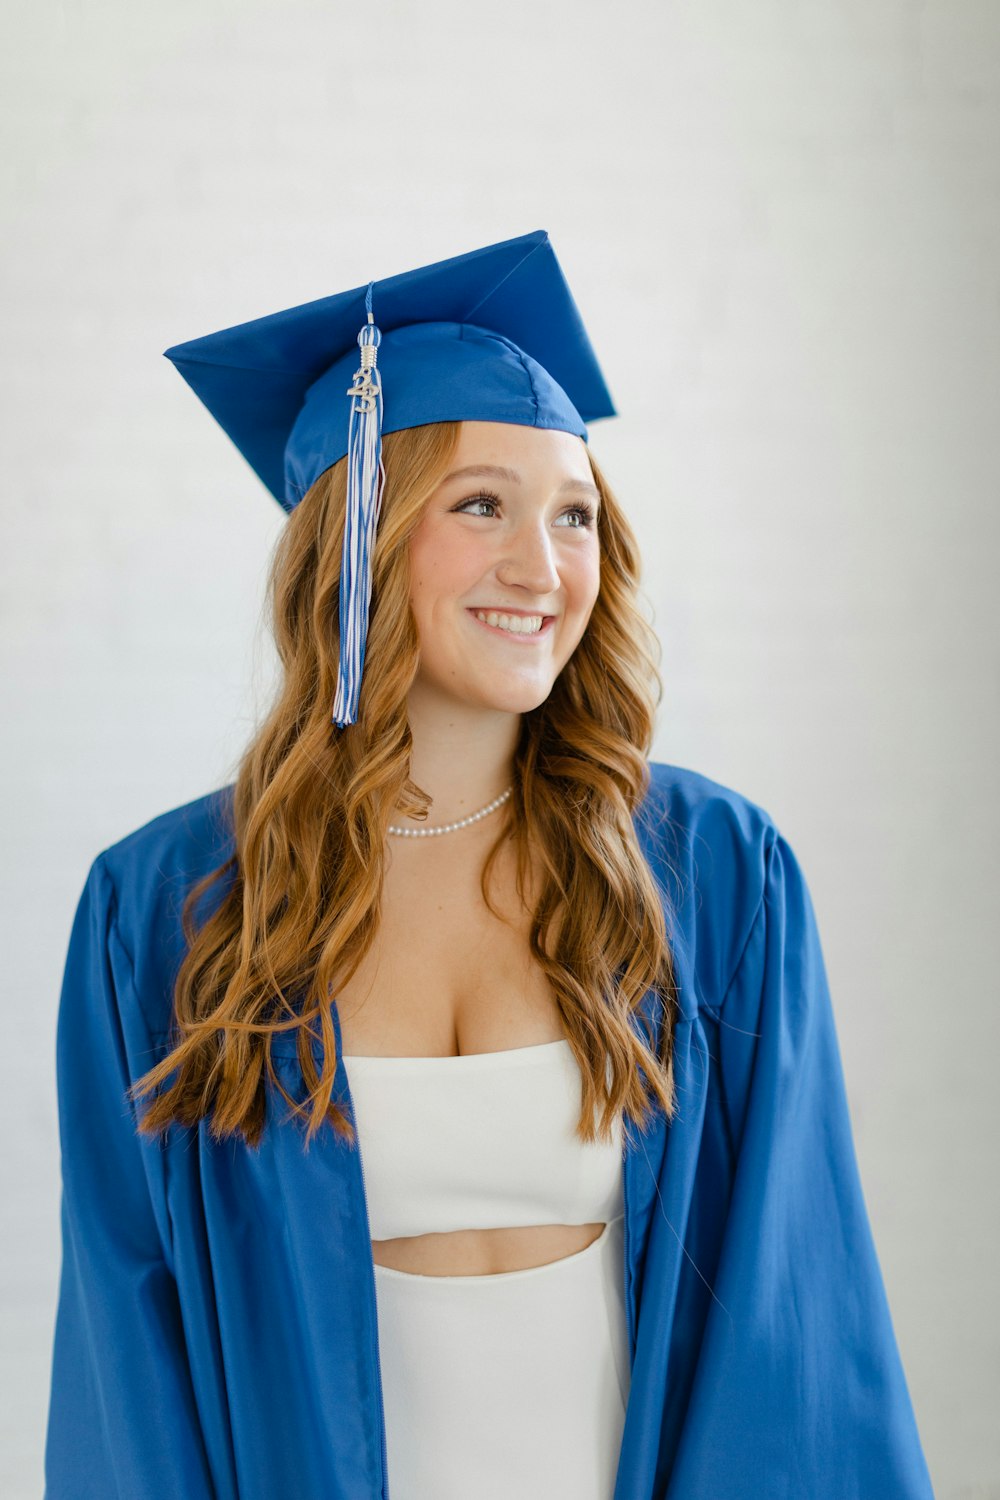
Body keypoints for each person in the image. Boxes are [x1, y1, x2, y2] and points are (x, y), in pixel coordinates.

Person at [43, 230, 935, 1499]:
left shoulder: (714, 875)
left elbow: (793, 1319)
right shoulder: (170, 910)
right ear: (354, 540)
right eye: (480, 507)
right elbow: (128, 1358)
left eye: (573, 515)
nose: (541, 567)